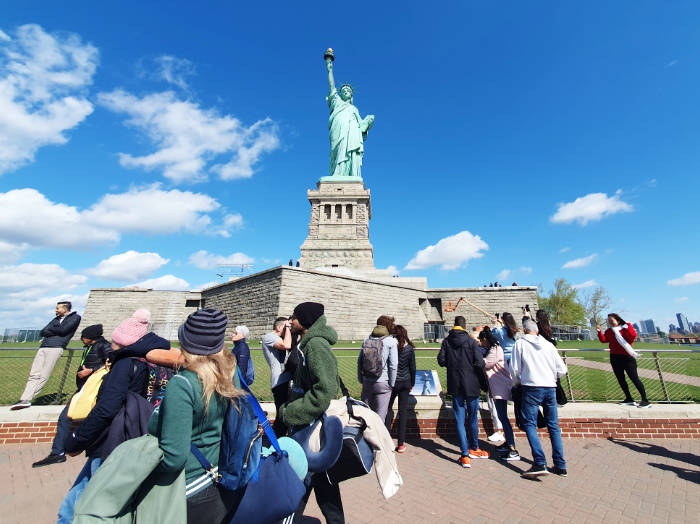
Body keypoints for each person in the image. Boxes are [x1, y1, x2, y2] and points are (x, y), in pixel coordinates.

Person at [149, 308, 246, 524]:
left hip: (189, 487)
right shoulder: (230, 373)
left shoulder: (183, 383)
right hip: (219, 476)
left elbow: (174, 457)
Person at [58, 312, 152, 523]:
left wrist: (77, 439)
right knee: (82, 493)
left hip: (111, 438)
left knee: (84, 498)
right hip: (125, 435)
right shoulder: (143, 362)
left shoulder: (124, 365)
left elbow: (106, 409)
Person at [278, 302, 344, 524]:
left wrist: (291, 411)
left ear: (305, 321)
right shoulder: (309, 344)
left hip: (310, 427)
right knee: (323, 483)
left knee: (298, 481)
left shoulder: (315, 346)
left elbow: (324, 391)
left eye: (294, 317)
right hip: (309, 426)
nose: (290, 321)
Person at [32, 324, 110, 468]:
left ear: (91, 337)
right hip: (84, 388)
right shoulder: (91, 347)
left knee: (66, 417)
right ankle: (63, 450)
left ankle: (59, 452)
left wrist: (91, 370)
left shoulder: (104, 347)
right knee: (74, 418)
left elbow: (111, 363)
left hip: (91, 390)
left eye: (84, 336)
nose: (82, 339)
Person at [511, 319, 568, 478]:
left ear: (524, 330)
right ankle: (560, 465)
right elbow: (562, 369)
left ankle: (539, 462)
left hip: (531, 387)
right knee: (553, 426)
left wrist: (518, 383)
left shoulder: (520, 344)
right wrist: (550, 378)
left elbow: (514, 369)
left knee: (529, 423)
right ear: (537, 331)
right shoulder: (549, 345)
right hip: (550, 387)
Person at [437, 315, 489, 468]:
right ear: (465, 326)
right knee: (473, 417)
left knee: (460, 419)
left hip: (455, 383)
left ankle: (464, 454)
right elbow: (480, 363)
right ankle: (475, 448)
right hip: (471, 384)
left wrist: (452, 364)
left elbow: (441, 361)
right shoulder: (471, 342)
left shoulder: (447, 341)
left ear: (454, 325)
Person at [11, 301, 81, 410]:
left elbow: (63, 331)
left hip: (56, 347)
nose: (56, 310)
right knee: (34, 374)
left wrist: (52, 330)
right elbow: (43, 332)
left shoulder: (75, 317)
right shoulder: (56, 319)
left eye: (58, 308)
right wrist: (55, 330)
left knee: (44, 375)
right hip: (44, 346)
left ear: (65, 309)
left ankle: (27, 399)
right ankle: (23, 399)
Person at [324, 49, 374, 178]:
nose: (346, 91)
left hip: (351, 134)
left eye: (348, 90)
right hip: (338, 131)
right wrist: (329, 69)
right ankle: (337, 173)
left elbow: (361, 126)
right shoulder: (337, 103)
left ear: (351, 95)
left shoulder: (354, 109)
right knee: (337, 152)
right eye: (344, 90)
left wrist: (367, 122)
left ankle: (350, 174)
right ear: (340, 94)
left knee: (350, 152)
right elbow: (332, 87)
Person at [479, 327, 519, 461]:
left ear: (485, 339)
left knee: (503, 417)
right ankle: (508, 444)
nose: (481, 344)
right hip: (497, 386)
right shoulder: (494, 348)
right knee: (502, 417)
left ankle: (512, 449)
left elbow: (486, 363)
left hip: (500, 387)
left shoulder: (495, 349)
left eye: (481, 341)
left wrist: (474, 355)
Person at [597, 313, 650, 408]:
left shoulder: (624, 330)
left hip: (627, 357)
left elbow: (633, 336)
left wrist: (628, 324)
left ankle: (645, 400)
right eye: (608, 321)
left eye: (611, 321)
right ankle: (629, 398)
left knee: (634, 378)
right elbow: (604, 340)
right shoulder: (609, 331)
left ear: (618, 321)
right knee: (621, 379)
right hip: (614, 357)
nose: (610, 323)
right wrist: (599, 331)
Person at [358, 315, 398, 423]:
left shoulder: (367, 339)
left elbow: (359, 361)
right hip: (383, 382)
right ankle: (378, 439)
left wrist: (361, 379)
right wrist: (392, 383)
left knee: (365, 414)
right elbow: (393, 365)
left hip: (367, 380)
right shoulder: (391, 341)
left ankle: (363, 439)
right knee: (380, 417)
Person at [385, 325, 416, 453]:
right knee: (403, 412)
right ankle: (401, 443)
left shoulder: (391, 347)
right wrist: (412, 383)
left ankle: (386, 439)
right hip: (405, 382)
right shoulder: (409, 349)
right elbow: (412, 368)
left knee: (387, 409)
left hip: (392, 382)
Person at [262, 316, 293, 435]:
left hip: (285, 380)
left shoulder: (280, 337)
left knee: (286, 414)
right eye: (286, 327)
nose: (288, 329)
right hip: (279, 382)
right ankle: (277, 443)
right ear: (279, 327)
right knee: (281, 415)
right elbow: (286, 345)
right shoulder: (269, 337)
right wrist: (289, 329)